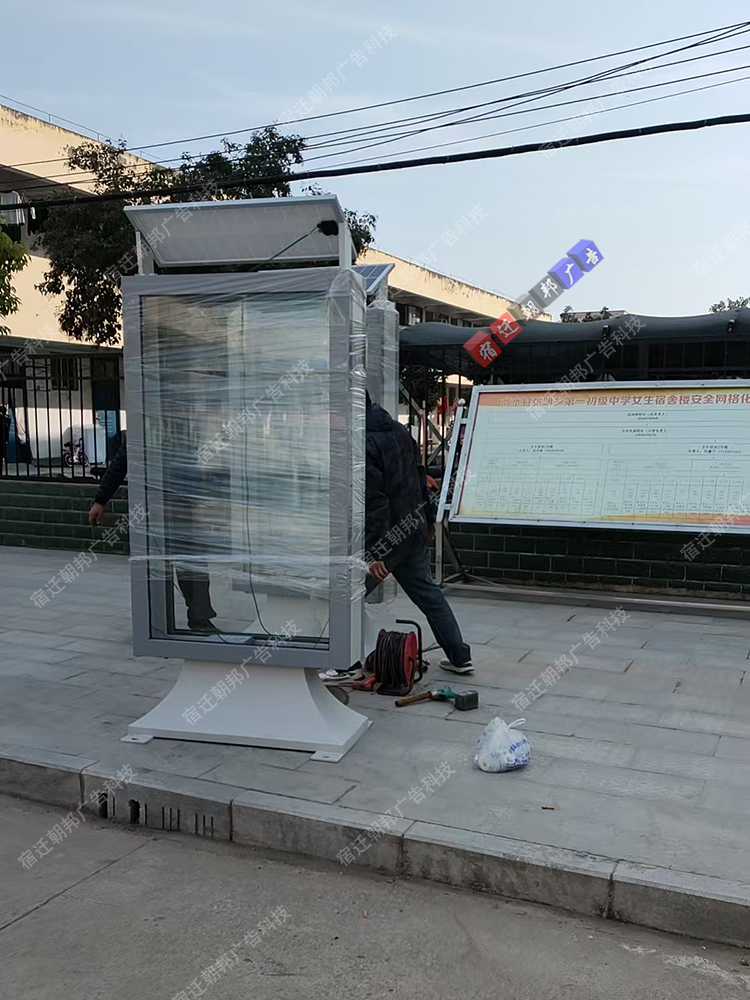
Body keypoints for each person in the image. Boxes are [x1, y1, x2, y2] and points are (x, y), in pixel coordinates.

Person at [365, 391, 472, 674]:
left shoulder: (365, 441)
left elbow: (375, 501)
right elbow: (419, 476)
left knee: (347, 595)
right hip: (411, 528)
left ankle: (341, 660)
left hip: (388, 537)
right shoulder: (400, 431)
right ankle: (460, 657)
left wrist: (375, 552)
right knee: (429, 596)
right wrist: (428, 521)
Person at [89, 433, 218, 632]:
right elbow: (120, 465)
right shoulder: (141, 431)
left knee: (193, 562)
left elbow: (198, 466)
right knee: (154, 567)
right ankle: (152, 624)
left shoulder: (186, 428)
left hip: (183, 507)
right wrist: (100, 500)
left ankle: (200, 618)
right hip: (153, 509)